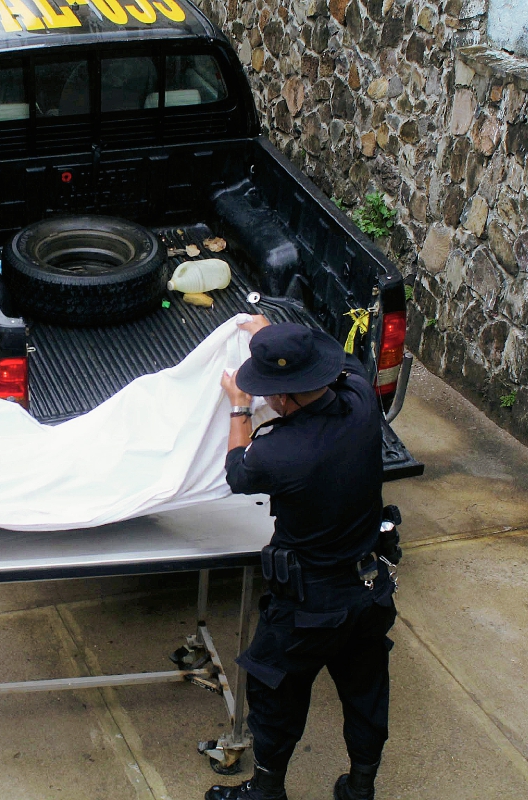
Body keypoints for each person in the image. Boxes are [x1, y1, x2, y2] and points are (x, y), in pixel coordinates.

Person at [207, 316, 398, 800]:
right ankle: (360, 788)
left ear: (282, 398)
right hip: (369, 589)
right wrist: (274, 337)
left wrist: (238, 407)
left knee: (276, 693)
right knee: (366, 691)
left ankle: (267, 791)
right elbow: (344, 365)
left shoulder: (280, 453)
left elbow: (237, 472)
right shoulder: (361, 402)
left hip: (309, 605)